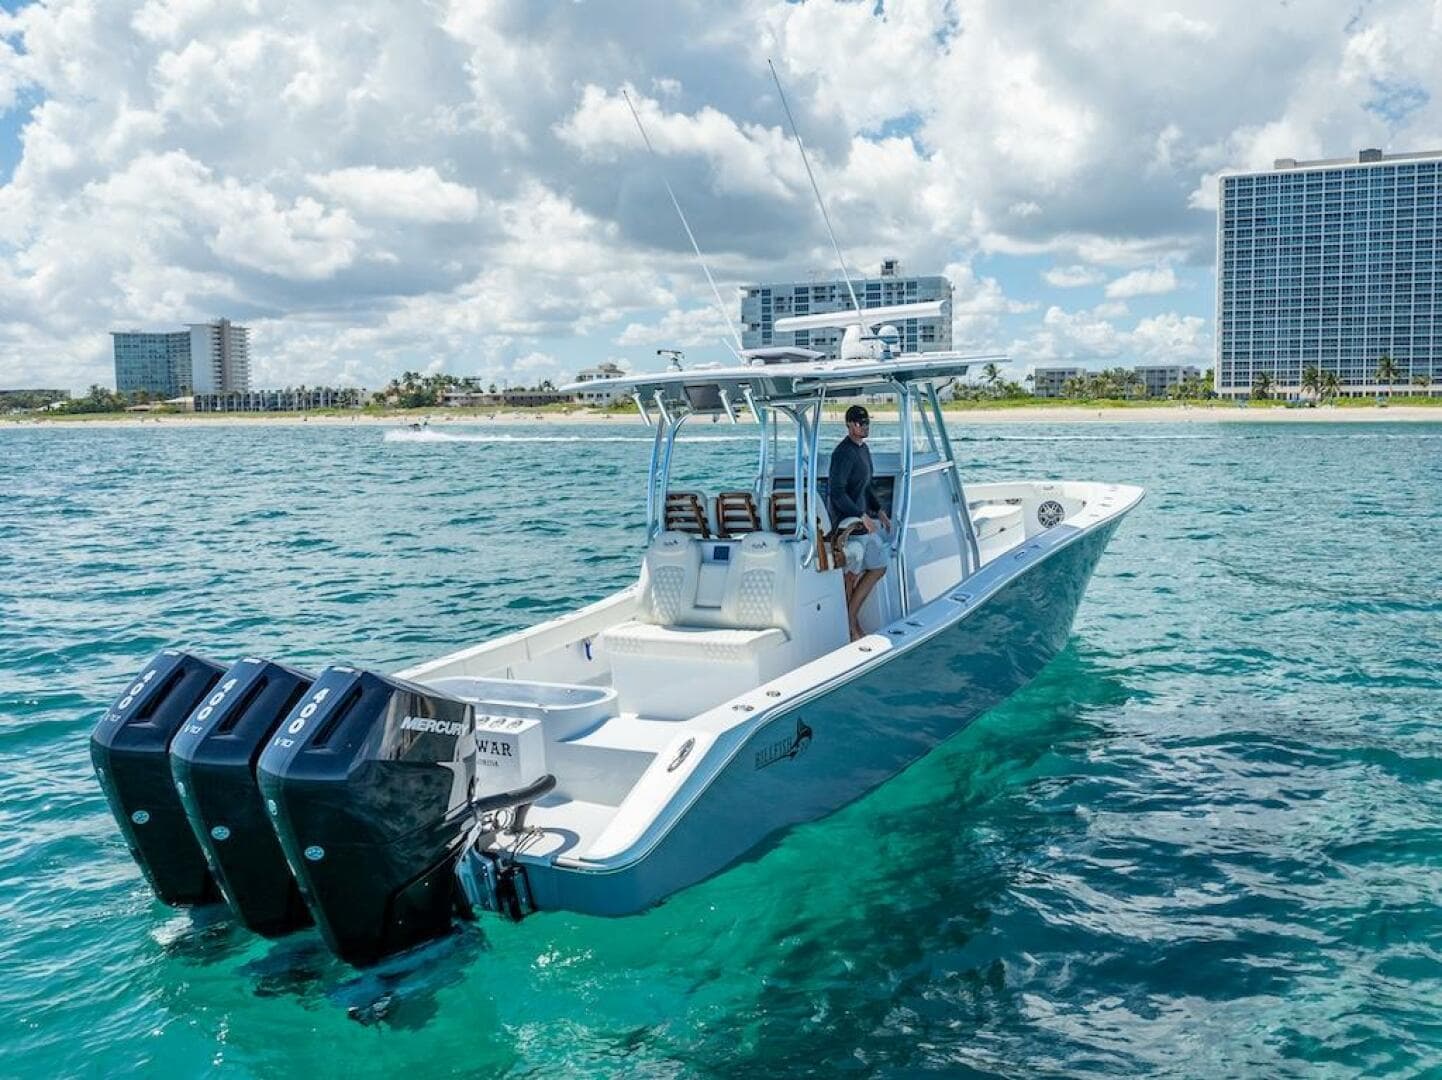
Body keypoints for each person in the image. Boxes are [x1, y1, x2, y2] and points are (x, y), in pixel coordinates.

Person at [829, 404, 891, 640]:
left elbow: (867, 486)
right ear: (849, 425)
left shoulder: (863, 450)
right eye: (860, 423)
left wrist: (879, 511)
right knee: (850, 577)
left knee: (879, 565)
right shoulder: (843, 453)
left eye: (866, 422)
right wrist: (860, 515)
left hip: (863, 524)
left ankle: (850, 619)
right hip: (850, 527)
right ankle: (850, 628)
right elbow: (837, 492)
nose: (865, 426)